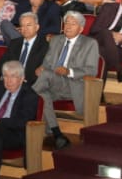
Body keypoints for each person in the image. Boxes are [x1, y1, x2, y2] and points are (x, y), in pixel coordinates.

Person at [34, 10, 101, 149]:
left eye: (73, 23)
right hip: (53, 83)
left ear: (81, 29)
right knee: (42, 94)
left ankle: (25, 99)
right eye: (66, 23)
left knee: (39, 85)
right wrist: (41, 67)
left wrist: (69, 71)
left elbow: (92, 70)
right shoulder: (56, 40)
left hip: (74, 85)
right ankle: (57, 132)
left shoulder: (90, 44)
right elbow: (47, 62)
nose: (68, 26)